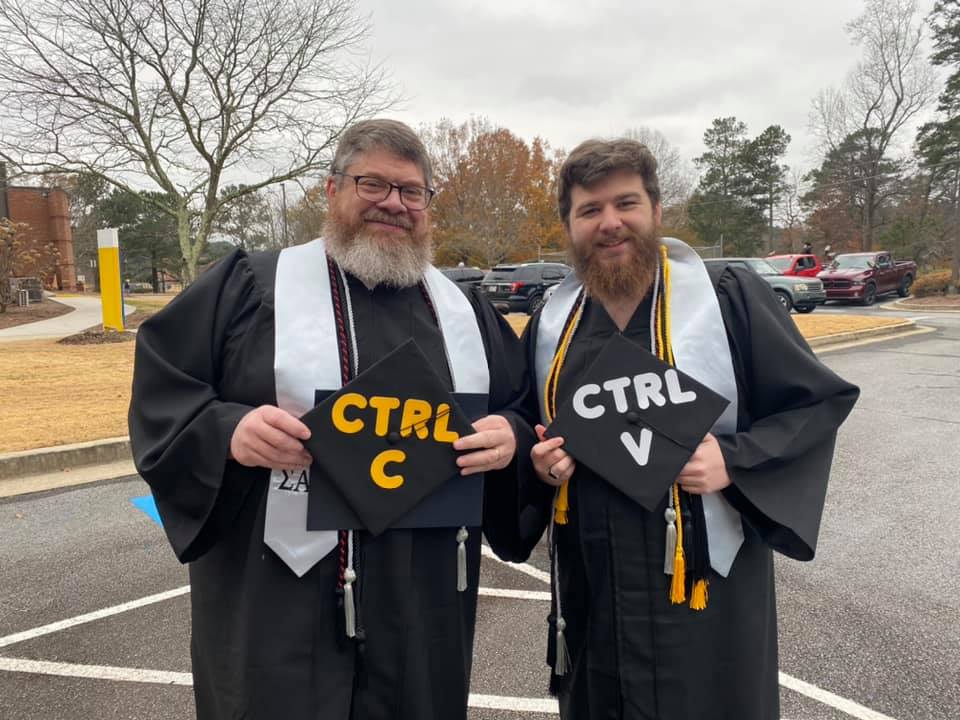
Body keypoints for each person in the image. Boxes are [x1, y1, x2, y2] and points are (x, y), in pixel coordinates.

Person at [128, 118, 536, 720]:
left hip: (421, 597)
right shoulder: (249, 286)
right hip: (278, 594)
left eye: (411, 192)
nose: (393, 204)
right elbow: (165, 390)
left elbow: (522, 408)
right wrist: (230, 432)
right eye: (373, 184)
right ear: (332, 189)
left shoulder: (465, 311)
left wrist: (513, 438)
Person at [504, 138, 859, 719]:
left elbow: (815, 404)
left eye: (626, 204)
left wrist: (733, 459)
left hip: (701, 585)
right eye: (589, 211)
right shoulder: (553, 321)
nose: (610, 223)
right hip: (593, 582)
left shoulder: (725, 300)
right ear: (569, 226)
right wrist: (537, 461)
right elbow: (525, 420)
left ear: (656, 211)